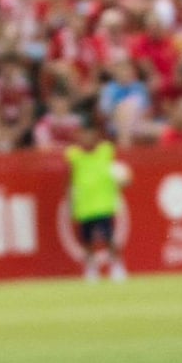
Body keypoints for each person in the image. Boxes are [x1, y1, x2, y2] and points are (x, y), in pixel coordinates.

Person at [64, 114, 129, 283]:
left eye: (90, 134)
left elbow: (122, 177)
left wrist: (123, 182)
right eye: (84, 134)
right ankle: (91, 269)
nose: (87, 138)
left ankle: (117, 266)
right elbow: (70, 182)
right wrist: (71, 203)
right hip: (85, 206)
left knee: (109, 238)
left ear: (96, 135)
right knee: (87, 241)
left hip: (103, 204)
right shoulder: (74, 156)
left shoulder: (106, 152)